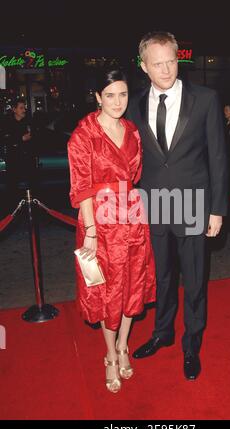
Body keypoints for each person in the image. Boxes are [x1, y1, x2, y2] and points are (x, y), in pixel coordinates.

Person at [127, 31, 228, 380]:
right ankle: (162, 333)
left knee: (196, 278)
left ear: (177, 58)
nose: (166, 69)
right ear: (144, 66)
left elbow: (218, 156)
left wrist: (217, 210)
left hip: (193, 205)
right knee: (163, 277)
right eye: (157, 64)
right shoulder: (135, 104)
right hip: (153, 206)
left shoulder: (205, 99)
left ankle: (192, 343)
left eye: (171, 60)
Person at [67, 68, 156, 393]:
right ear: (97, 97)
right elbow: (81, 188)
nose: (117, 102)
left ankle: (122, 344)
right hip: (99, 224)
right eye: (110, 95)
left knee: (132, 285)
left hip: (132, 216)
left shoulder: (132, 131)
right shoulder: (83, 135)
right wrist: (90, 230)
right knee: (106, 291)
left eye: (123, 94)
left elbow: (136, 175)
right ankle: (109, 355)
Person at [1, 98, 36, 207]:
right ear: (14, 109)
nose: (24, 110)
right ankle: (13, 206)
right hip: (13, 157)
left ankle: (32, 204)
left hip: (27, 156)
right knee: (12, 183)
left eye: (24, 107)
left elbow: (34, 137)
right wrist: (21, 139)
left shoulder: (27, 122)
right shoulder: (7, 123)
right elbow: (5, 139)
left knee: (32, 181)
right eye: (21, 108)